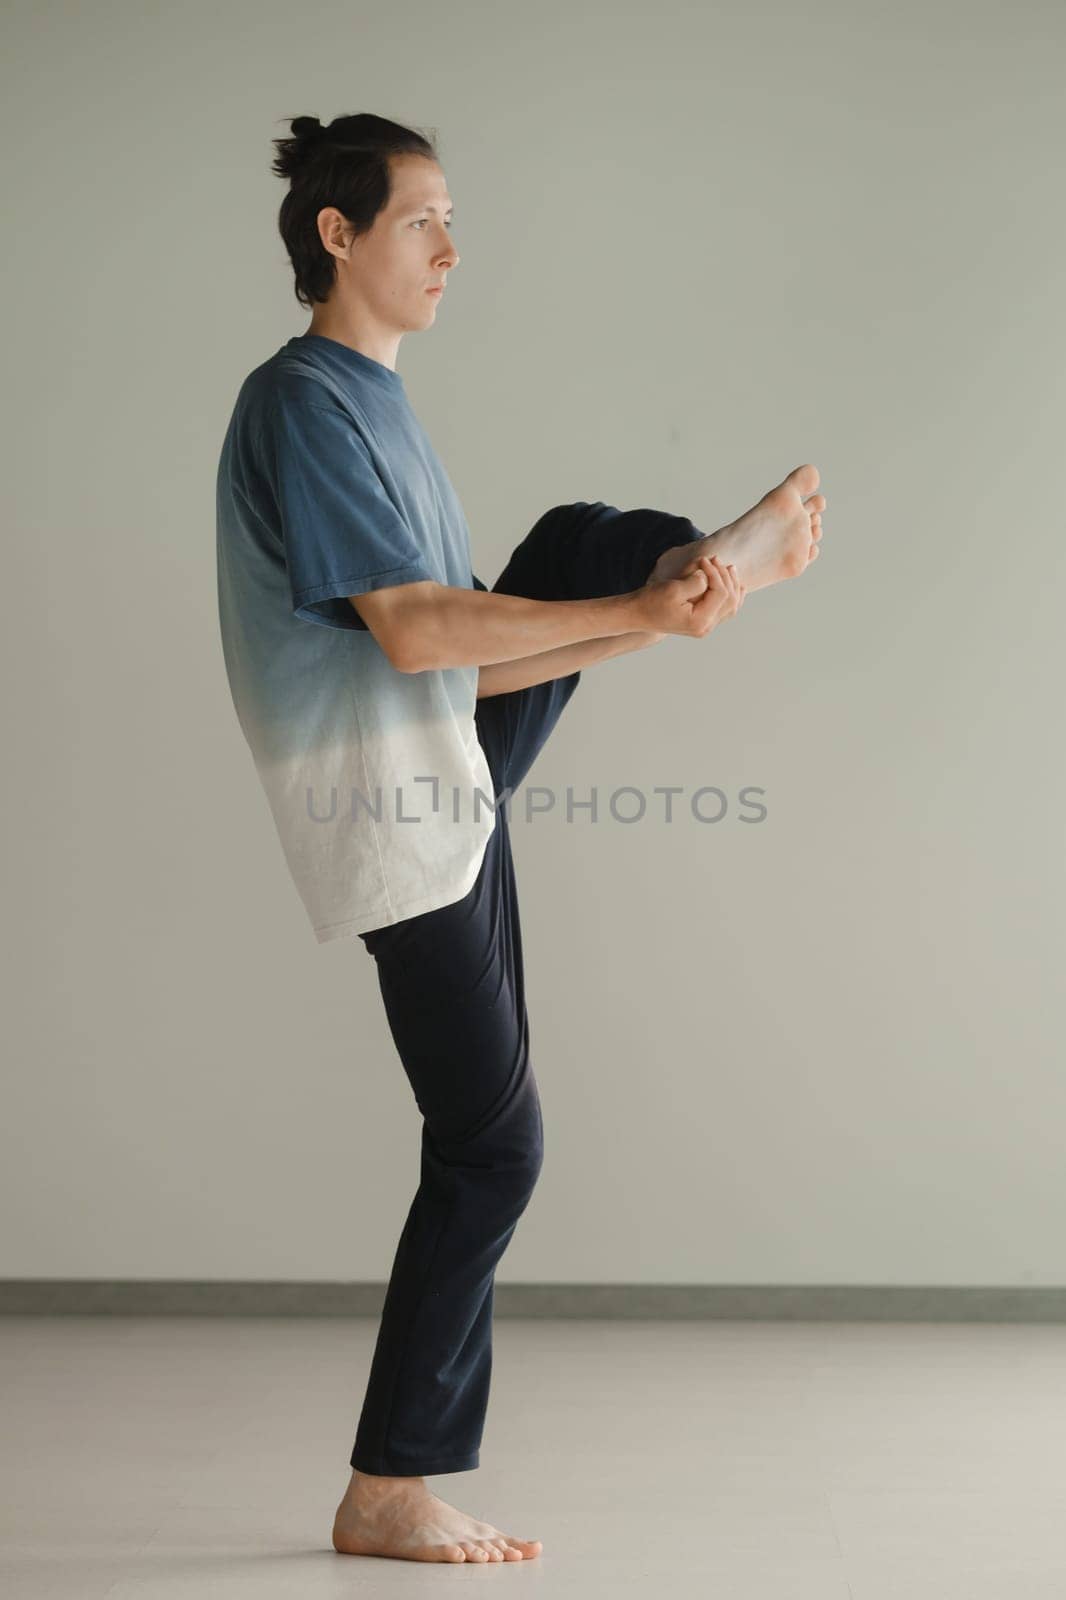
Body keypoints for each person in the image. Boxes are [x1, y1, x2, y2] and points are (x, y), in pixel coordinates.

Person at [215, 111, 826, 1567]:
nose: (450, 248)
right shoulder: (303, 400)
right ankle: (388, 1490)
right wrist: (643, 617)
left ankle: (697, 568)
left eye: (451, 224)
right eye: (422, 221)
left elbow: (480, 658)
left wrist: (653, 608)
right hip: (386, 801)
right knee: (492, 1148)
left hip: (438, 754)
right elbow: (421, 630)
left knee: (575, 542)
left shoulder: (376, 402)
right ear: (337, 234)